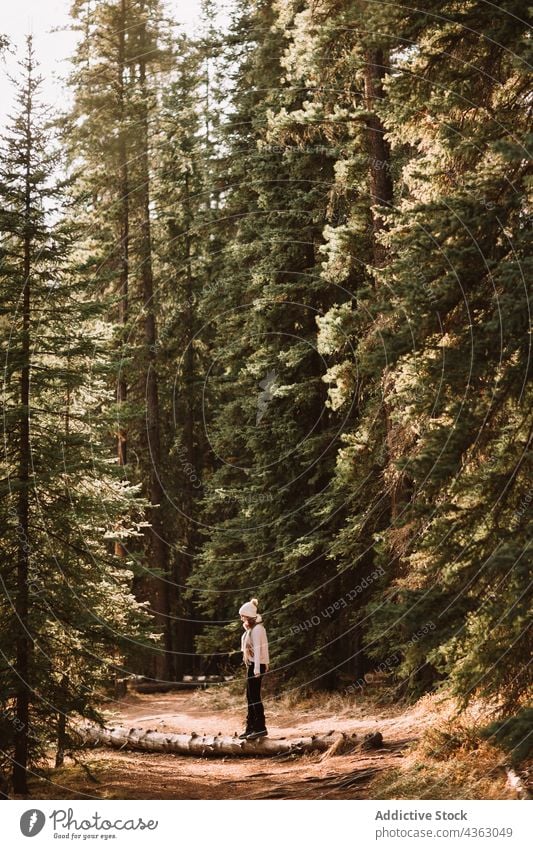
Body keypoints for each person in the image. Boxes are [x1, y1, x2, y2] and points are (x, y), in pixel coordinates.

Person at [238, 597, 269, 739]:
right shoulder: (251, 630)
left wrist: (257, 668)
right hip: (252, 665)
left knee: (255, 697)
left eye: (243, 616)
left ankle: (260, 728)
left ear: (249, 616)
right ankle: (250, 727)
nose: (241, 618)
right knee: (249, 697)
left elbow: (259, 650)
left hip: (257, 666)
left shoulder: (258, 630)